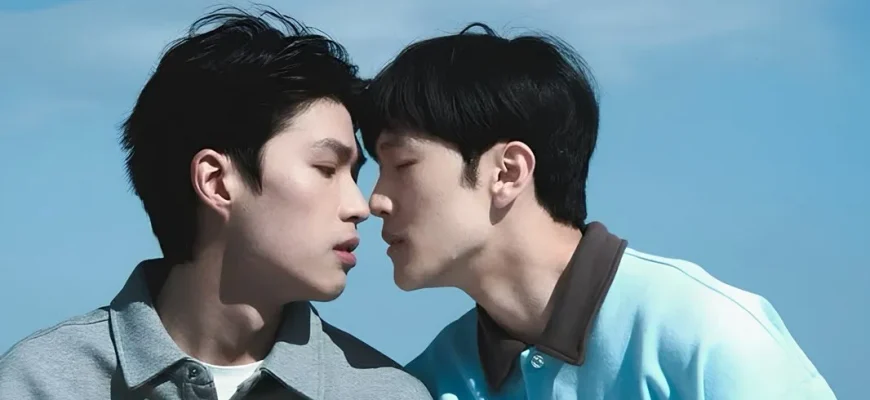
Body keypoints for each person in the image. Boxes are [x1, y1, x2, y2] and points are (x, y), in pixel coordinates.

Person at [361, 23, 836, 399]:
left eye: (402, 164)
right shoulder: (429, 383)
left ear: (507, 172)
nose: (375, 200)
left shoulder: (706, 335)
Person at [0, 7, 430, 400]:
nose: (359, 206)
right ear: (216, 181)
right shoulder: (40, 382)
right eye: (325, 168)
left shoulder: (387, 393)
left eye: (354, 175)